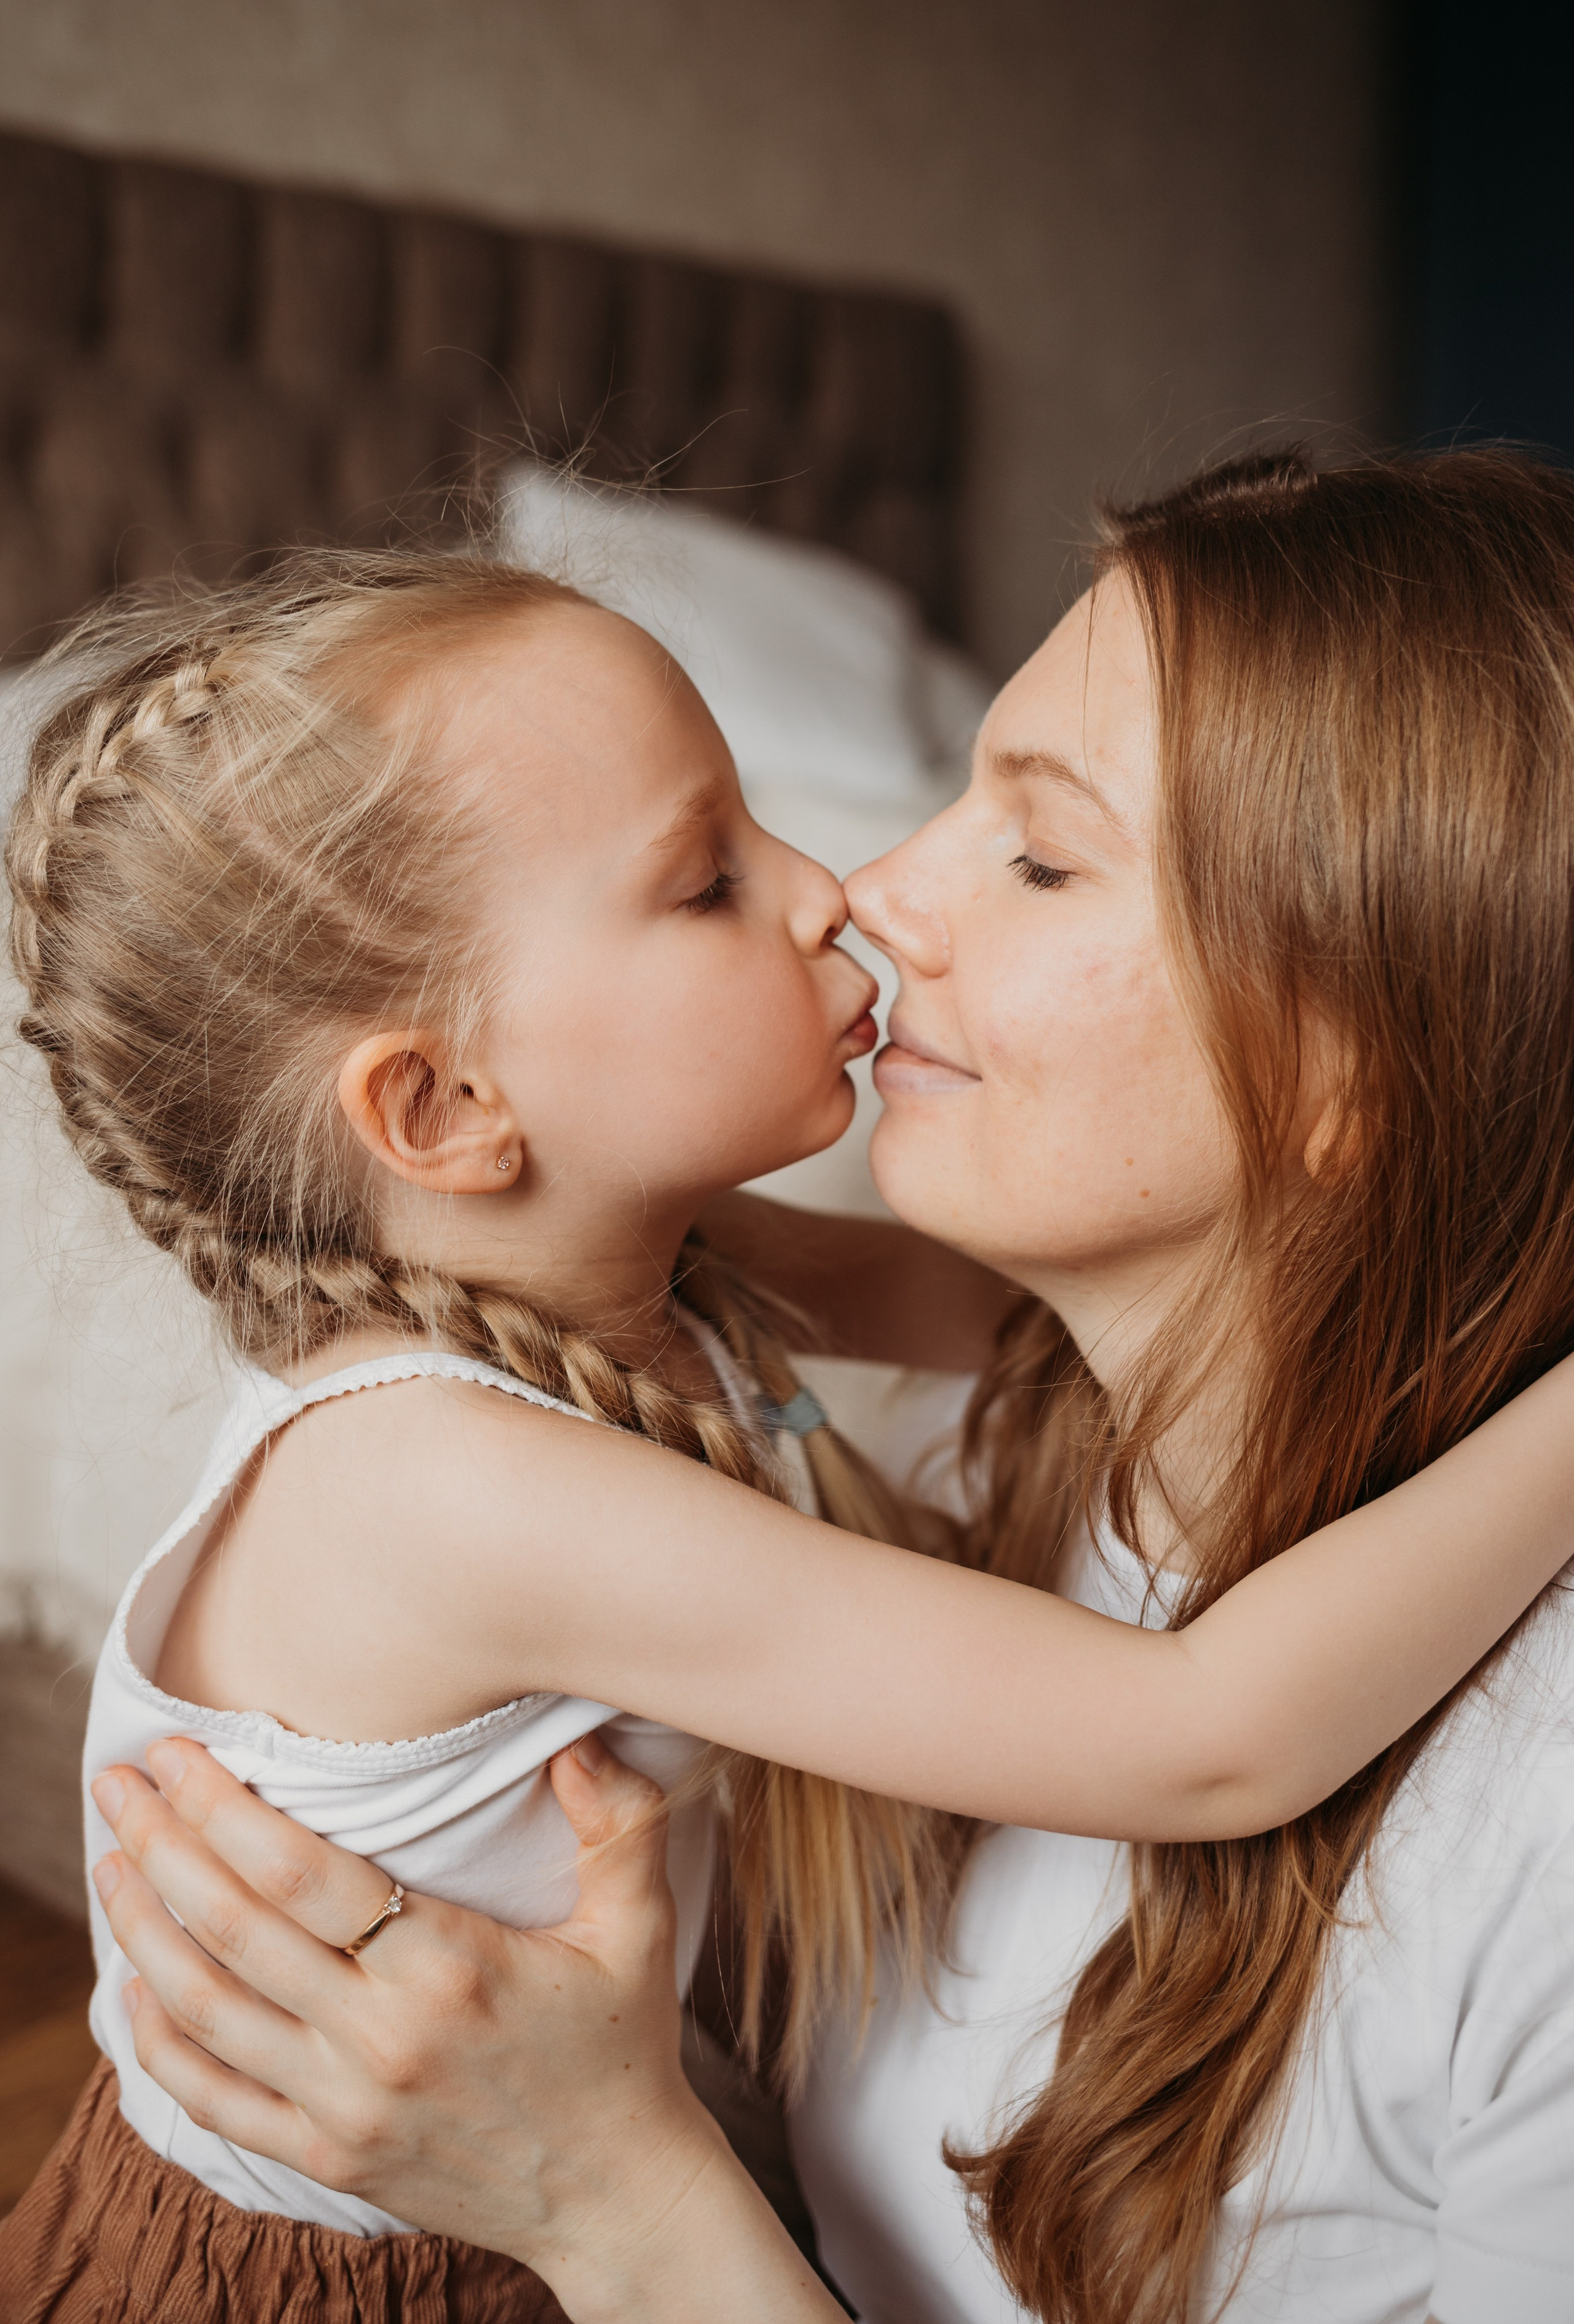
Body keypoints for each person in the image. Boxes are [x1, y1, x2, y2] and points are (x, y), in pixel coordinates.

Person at [11, 447, 1574, 2324]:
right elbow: (1208, 1730)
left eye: (1043, 849)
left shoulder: (637, 1290)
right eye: (707, 879)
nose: (850, 890)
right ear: (441, 1109)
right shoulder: (446, 1480)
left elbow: (1049, 1332)